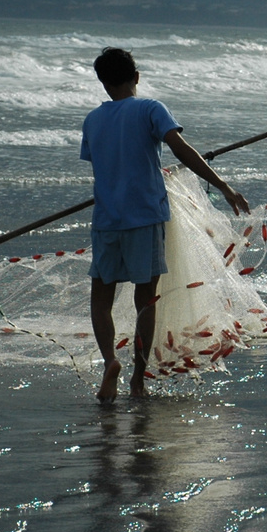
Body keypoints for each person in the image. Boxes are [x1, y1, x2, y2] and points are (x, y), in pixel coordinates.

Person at [83, 47, 249, 401]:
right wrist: (223, 186)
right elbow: (181, 149)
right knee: (146, 299)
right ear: (136, 77)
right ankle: (138, 378)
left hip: (106, 220)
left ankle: (110, 360)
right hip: (145, 217)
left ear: (102, 82)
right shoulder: (149, 109)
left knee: (101, 300)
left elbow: (107, 164)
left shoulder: (93, 120)